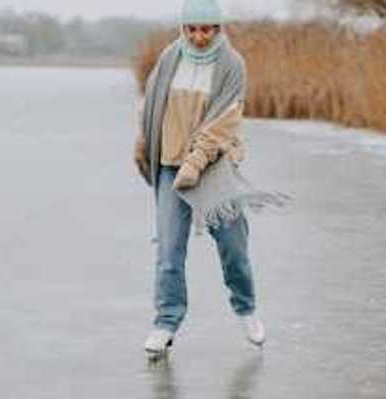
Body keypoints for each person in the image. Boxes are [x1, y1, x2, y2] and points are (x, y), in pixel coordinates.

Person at [133, 0, 264, 359]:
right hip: (170, 167)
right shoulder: (169, 58)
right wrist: (142, 143)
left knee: (233, 246)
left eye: (206, 29)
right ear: (183, 29)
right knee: (169, 251)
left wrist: (197, 161)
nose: (199, 37)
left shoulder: (231, 65)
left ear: (218, 29)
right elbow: (151, 106)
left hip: (214, 166)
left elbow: (224, 121)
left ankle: (246, 308)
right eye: (192, 29)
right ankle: (165, 323)